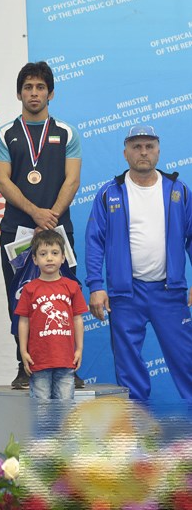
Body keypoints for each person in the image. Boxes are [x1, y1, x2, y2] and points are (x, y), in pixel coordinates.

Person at [0, 61, 82, 389]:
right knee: (21, 301)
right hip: (17, 231)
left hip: (58, 232)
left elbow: (72, 180)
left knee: (64, 298)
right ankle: (24, 366)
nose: (34, 93)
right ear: (19, 94)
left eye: (40, 87)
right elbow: (2, 181)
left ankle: (68, 366)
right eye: (28, 87)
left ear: (50, 93)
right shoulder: (5, 133)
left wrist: (51, 217)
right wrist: (35, 213)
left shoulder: (67, 132)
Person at [85, 124, 192, 401]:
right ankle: (137, 424)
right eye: (136, 147)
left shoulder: (178, 191)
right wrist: (96, 286)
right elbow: (94, 241)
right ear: (125, 153)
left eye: (149, 146)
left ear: (158, 151)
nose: (143, 152)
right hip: (125, 294)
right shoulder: (110, 193)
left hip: (170, 292)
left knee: (187, 360)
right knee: (128, 366)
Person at [15, 230, 87, 399]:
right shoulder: (29, 289)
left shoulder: (72, 287)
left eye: (54, 253)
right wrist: (23, 351)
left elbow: (77, 319)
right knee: (41, 408)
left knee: (65, 408)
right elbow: (23, 321)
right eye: (43, 254)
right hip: (39, 360)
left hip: (66, 359)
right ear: (35, 259)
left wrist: (79, 349)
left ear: (63, 258)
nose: (49, 258)